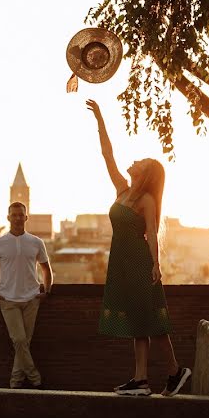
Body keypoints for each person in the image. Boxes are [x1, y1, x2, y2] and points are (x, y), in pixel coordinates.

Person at [85, 98, 191, 397]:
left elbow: (153, 233)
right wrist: (100, 121)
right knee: (137, 321)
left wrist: (156, 265)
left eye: (141, 161)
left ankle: (174, 370)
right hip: (121, 261)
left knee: (150, 319)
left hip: (139, 261)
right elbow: (108, 154)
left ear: (146, 173)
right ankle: (142, 380)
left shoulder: (146, 201)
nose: (135, 161)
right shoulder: (122, 189)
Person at [0, 201, 53, 389]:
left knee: (24, 343)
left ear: (26, 217)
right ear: (8, 218)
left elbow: (47, 270)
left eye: (20, 215)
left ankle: (15, 382)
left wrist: (47, 291)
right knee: (20, 340)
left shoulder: (36, 242)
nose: (17, 218)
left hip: (32, 299)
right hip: (8, 300)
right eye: (14, 215)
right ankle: (34, 377)